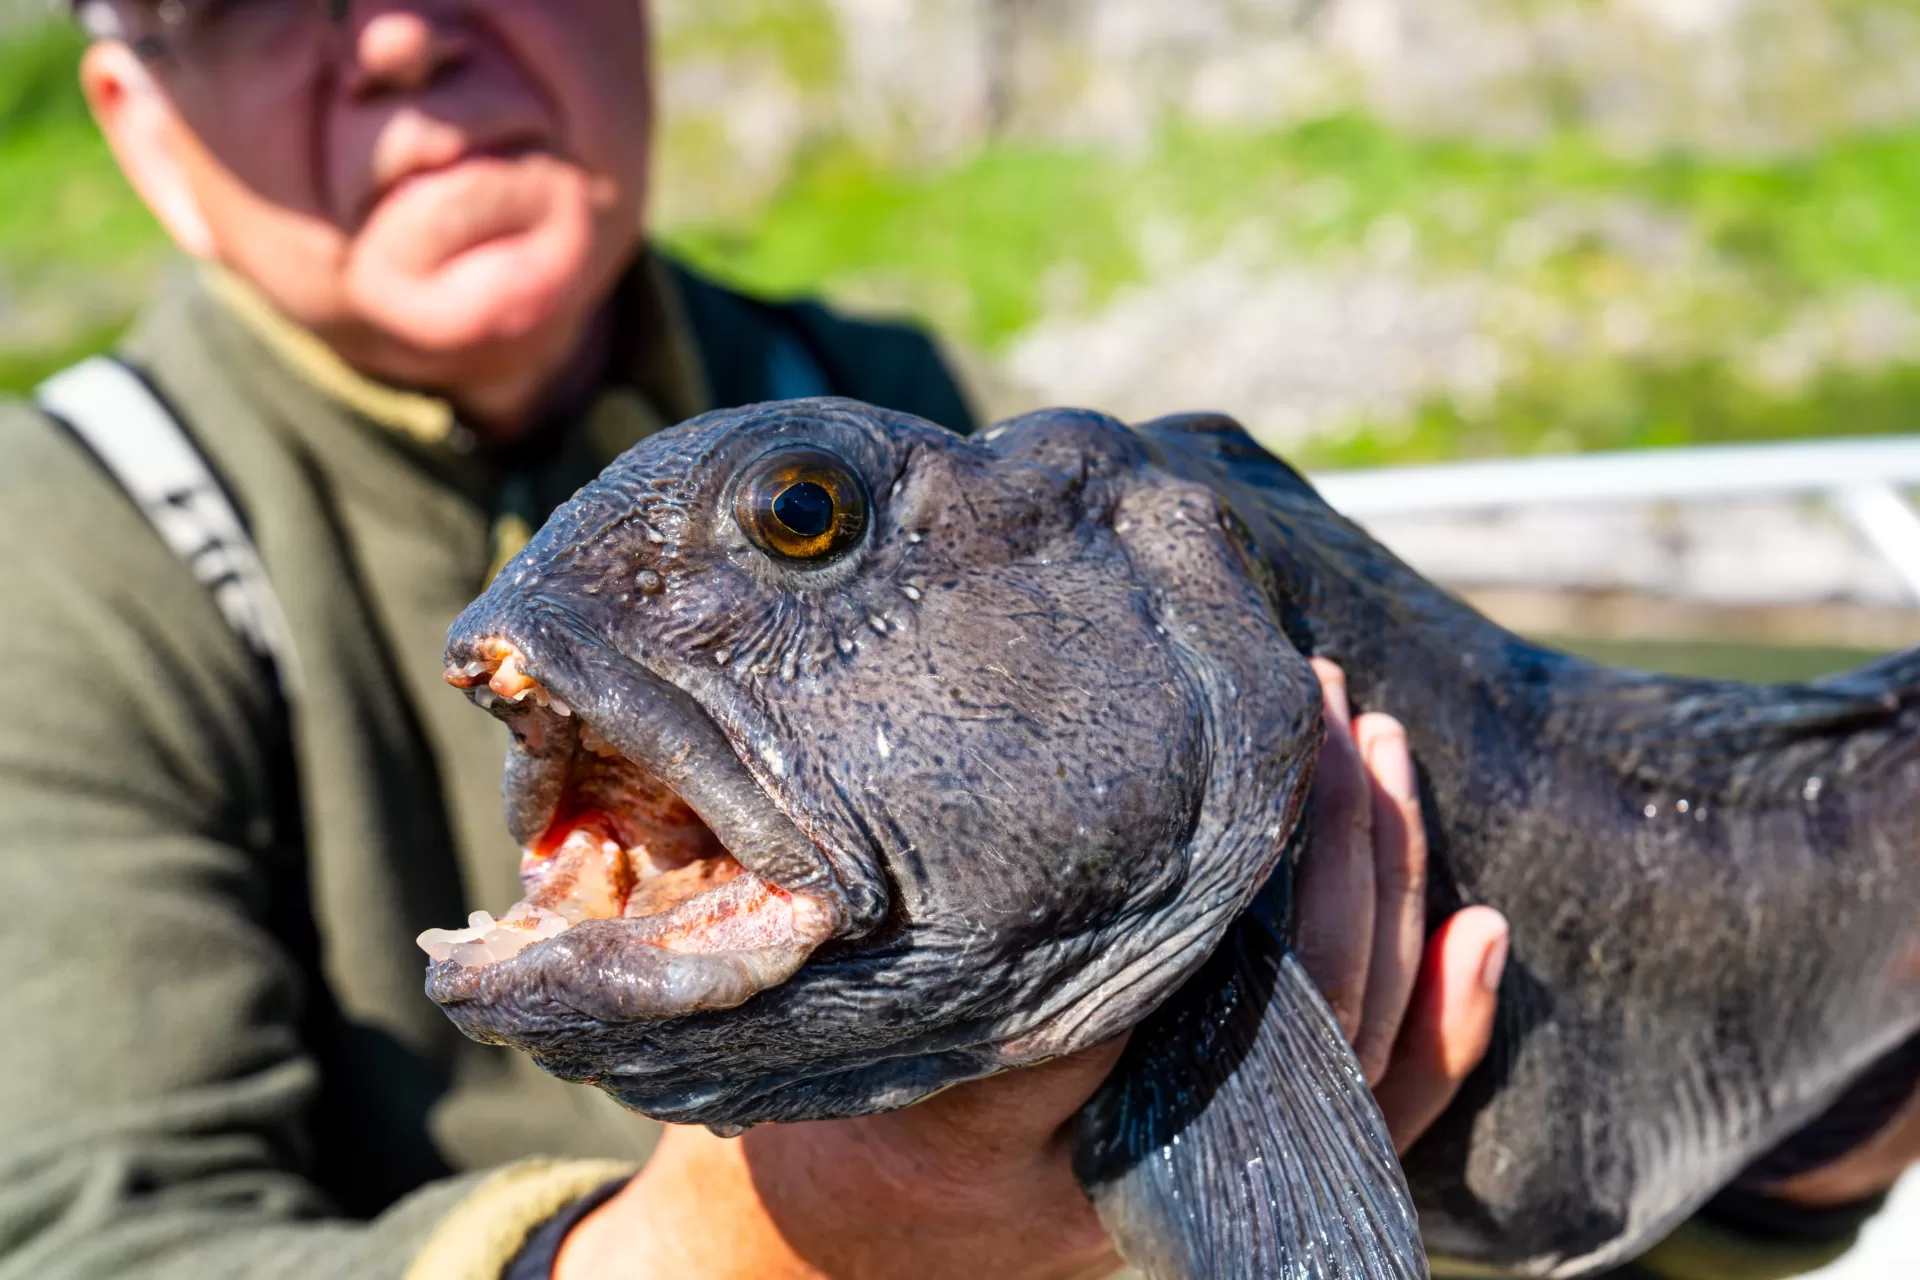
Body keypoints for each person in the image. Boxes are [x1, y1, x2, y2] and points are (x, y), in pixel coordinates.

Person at [0, 2, 1905, 1277]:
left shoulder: (880, 395)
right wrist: (793, 1234)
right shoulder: (57, 551)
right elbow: (98, 1242)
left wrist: (1824, 1137)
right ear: (138, 127)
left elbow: (1589, 1155)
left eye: (805, 525)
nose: (400, 28)